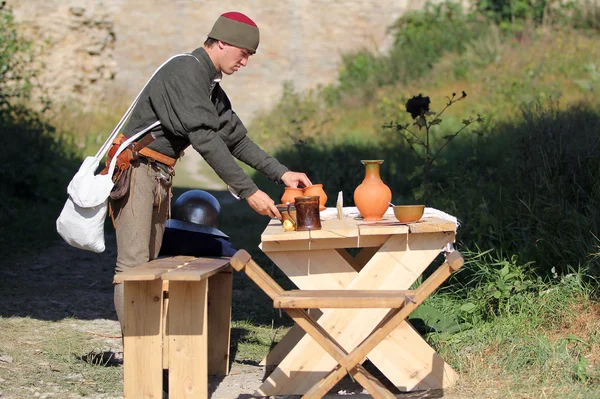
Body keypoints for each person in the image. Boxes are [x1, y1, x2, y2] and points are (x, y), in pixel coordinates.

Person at [110, 11, 312, 328]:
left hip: (160, 175)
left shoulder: (209, 86)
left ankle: (151, 349)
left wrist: (282, 173)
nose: (245, 62)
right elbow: (205, 139)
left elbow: (236, 140)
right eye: (243, 53)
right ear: (221, 43)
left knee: (149, 264)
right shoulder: (185, 72)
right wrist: (249, 191)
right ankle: (139, 358)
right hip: (137, 170)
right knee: (134, 266)